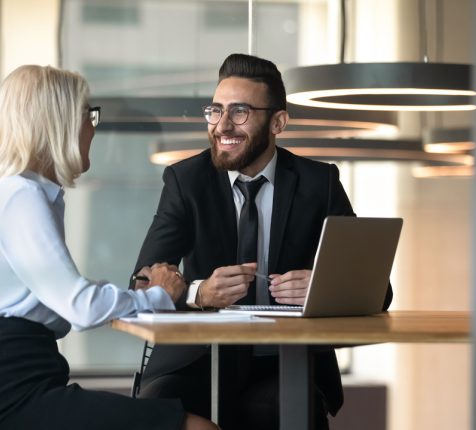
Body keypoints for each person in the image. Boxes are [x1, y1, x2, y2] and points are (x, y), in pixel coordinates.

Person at [0, 65, 217, 430]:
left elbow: (61, 308)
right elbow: (80, 309)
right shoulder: (20, 197)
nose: (93, 126)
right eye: (88, 114)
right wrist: (158, 296)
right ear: (59, 122)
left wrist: (109, 294)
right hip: (11, 393)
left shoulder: (11, 194)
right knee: (198, 428)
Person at [131, 53, 393, 429]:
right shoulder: (186, 181)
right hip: (195, 362)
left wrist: (323, 287)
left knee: (286, 408)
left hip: (285, 362)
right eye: (216, 110)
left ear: (278, 122)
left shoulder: (319, 183)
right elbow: (141, 282)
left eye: (240, 112)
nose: (223, 125)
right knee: (159, 412)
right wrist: (198, 293)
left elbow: (378, 291)